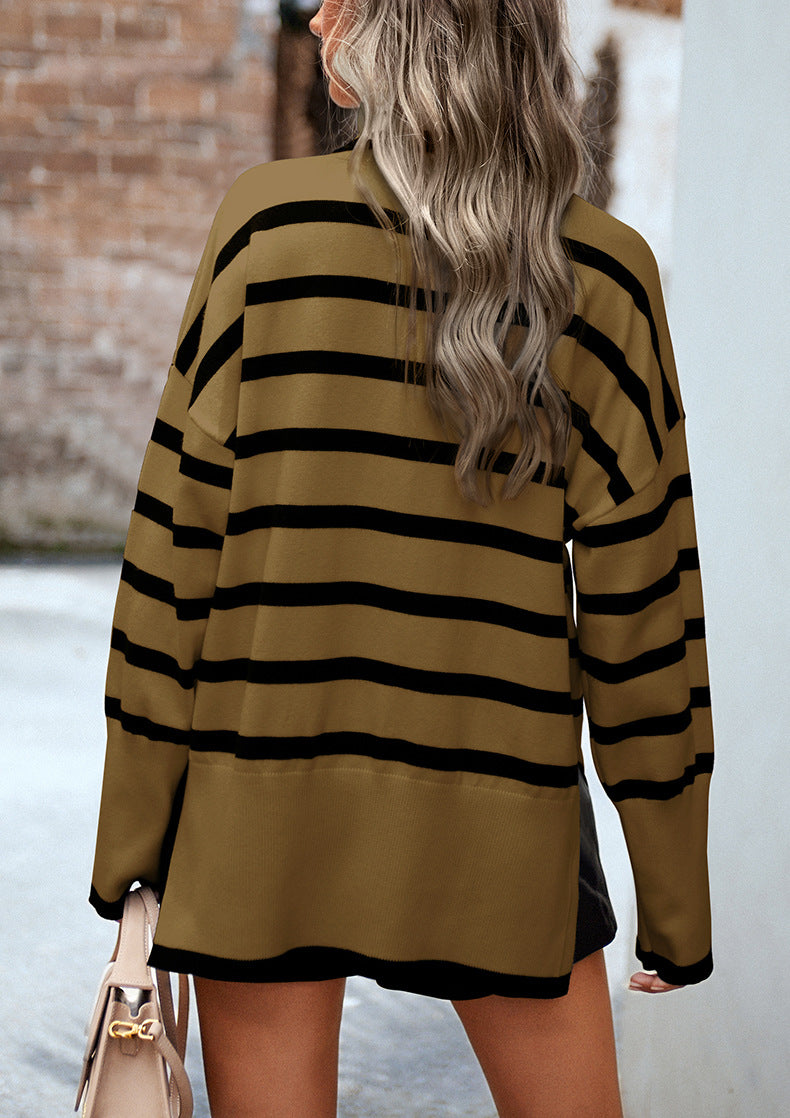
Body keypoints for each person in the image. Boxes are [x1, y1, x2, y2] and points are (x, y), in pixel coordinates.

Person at [87, 1, 714, 1114]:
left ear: (410, 31)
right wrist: (674, 898)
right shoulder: (603, 277)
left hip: (259, 812)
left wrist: (132, 837)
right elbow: (647, 615)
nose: (318, 16)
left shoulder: (265, 234)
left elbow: (172, 562)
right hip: (501, 818)